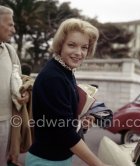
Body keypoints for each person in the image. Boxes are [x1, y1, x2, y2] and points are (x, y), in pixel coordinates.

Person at [25, 18, 109, 166]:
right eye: (72, 45)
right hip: (46, 161)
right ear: (60, 45)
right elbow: (64, 133)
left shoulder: (64, 71)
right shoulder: (53, 77)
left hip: (57, 158)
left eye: (84, 47)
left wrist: (80, 122)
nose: (79, 53)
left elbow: (61, 122)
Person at [0, 5, 29, 166]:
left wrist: (25, 93)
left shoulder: (10, 51)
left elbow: (21, 80)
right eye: (10, 24)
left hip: (5, 123)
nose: (13, 29)